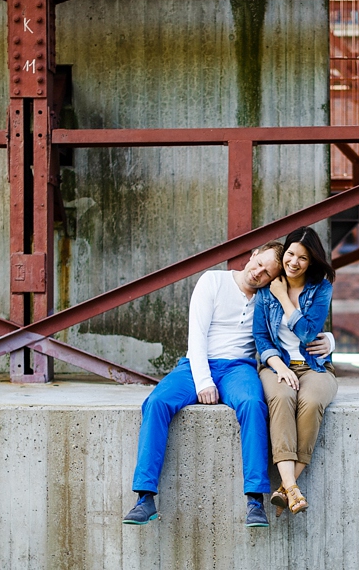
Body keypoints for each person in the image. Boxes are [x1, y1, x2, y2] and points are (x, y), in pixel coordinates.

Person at [123, 241, 333, 528]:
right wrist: (204, 381)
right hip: (197, 365)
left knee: (252, 404)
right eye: (258, 264)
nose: (258, 273)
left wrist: (329, 340)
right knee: (157, 402)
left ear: (273, 278)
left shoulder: (265, 298)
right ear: (252, 254)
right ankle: (145, 497)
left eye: (267, 273)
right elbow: (196, 336)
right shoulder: (213, 280)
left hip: (239, 368)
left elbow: (292, 331)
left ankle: (255, 501)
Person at [252, 226, 338, 517]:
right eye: (290, 254)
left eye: (302, 257)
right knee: (282, 399)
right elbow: (261, 338)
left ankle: (286, 488)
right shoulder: (265, 292)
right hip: (276, 366)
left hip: (314, 367)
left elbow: (306, 332)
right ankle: (292, 489)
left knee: (312, 402)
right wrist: (278, 366)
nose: (294, 262)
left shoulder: (321, 288)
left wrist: (285, 298)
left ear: (311, 261)